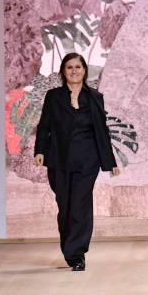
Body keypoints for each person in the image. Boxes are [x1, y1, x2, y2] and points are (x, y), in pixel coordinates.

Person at [34, 53, 120, 271]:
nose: (74, 71)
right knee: (65, 207)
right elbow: (44, 125)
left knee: (80, 206)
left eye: (78, 67)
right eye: (70, 67)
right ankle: (70, 249)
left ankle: (77, 254)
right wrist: (40, 151)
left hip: (86, 161)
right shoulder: (53, 97)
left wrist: (109, 162)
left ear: (84, 71)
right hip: (59, 159)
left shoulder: (94, 98)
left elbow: (102, 132)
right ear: (64, 71)